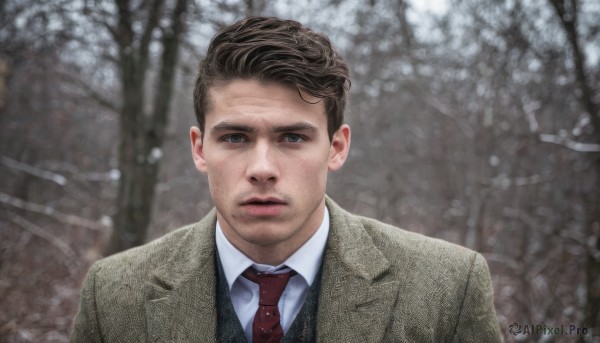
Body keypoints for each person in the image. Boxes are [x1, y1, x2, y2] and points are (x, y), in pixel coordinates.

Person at [71, 16, 501, 342]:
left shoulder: (448, 288)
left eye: (292, 137)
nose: (262, 168)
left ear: (336, 147)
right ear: (200, 148)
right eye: (235, 137)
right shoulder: (111, 296)